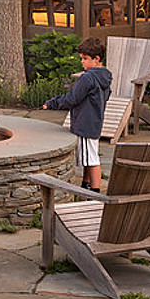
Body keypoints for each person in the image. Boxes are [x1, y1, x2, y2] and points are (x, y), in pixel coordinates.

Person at [42, 36, 112, 193]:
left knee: (92, 159)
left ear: (97, 59)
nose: (82, 62)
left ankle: (94, 194)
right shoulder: (105, 76)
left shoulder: (87, 78)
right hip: (94, 122)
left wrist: (52, 103)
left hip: (85, 124)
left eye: (85, 59)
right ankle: (86, 185)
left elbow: (72, 99)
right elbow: (106, 96)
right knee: (89, 156)